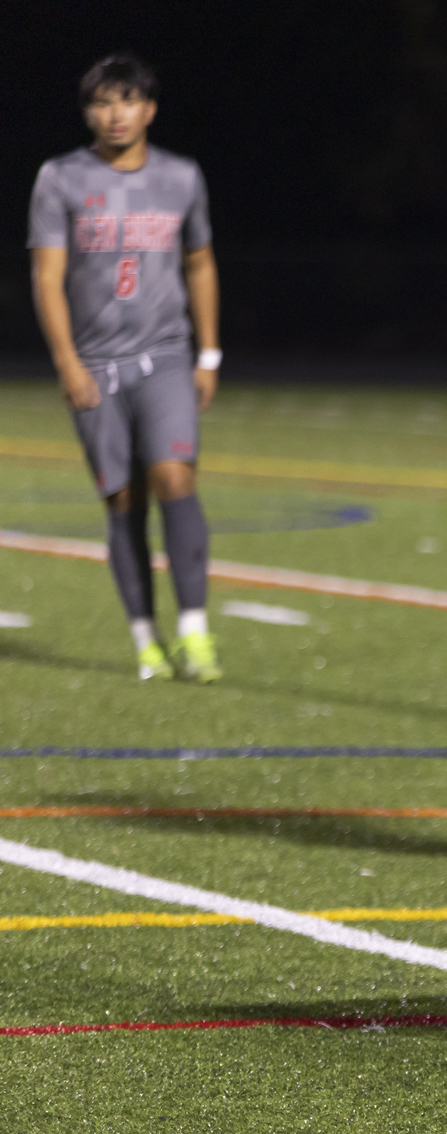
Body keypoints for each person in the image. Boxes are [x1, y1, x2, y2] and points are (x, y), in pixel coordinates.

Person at [30, 53, 223, 684]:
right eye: (102, 103)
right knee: (123, 500)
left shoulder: (181, 176)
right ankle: (146, 639)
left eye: (128, 100)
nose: (116, 114)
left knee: (175, 477)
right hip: (94, 366)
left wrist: (208, 353)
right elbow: (48, 276)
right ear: (88, 112)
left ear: (150, 108)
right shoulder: (59, 179)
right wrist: (66, 362)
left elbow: (199, 262)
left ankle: (194, 633)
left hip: (165, 354)